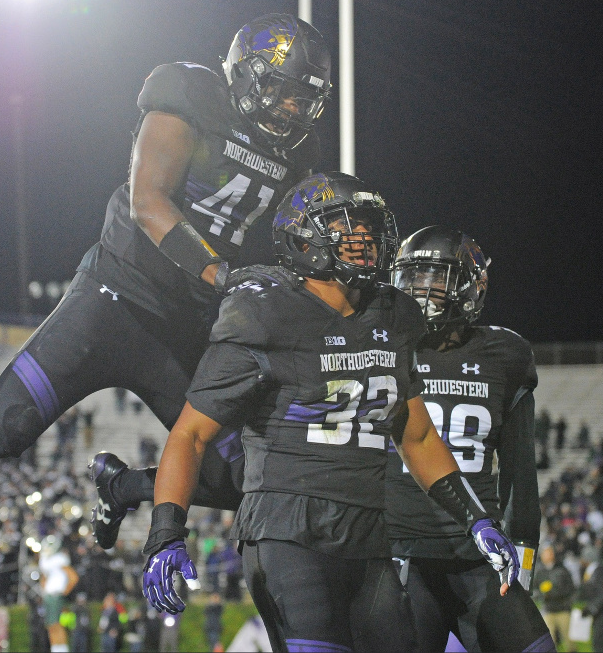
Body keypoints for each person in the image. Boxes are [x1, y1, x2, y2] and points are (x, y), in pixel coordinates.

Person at [0, 14, 332, 541]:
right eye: (282, 92)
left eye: (302, 100)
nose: (291, 109)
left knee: (249, 477)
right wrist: (223, 275)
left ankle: (122, 488)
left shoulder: (298, 151)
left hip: (185, 325)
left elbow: (304, 236)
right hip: (113, 300)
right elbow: (147, 200)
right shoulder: (191, 91)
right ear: (247, 73)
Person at [138, 174, 521, 652]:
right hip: (288, 533)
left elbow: (417, 436)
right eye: (347, 227)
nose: (364, 239)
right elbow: (191, 434)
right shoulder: (265, 311)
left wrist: (477, 519)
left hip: (369, 536)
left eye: (369, 228)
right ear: (302, 235)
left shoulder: (394, 314)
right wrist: (167, 533)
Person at [384, 226, 554, 652]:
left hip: (478, 550)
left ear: (471, 286)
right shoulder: (384, 345)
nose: (421, 290)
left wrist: (525, 553)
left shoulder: (506, 354)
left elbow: (519, 472)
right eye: (413, 276)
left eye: (436, 277)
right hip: (402, 551)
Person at [535, 545, 577, 652]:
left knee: (569, 641)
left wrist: (556, 593)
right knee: (550, 641)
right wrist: (542, 595)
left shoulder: (562, 569)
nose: (548, 556)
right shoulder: (539, 571)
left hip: (563, 610)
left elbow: (571, 588)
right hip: (548, 610)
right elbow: (535, 589)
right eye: (545, 553)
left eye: (550, 553)